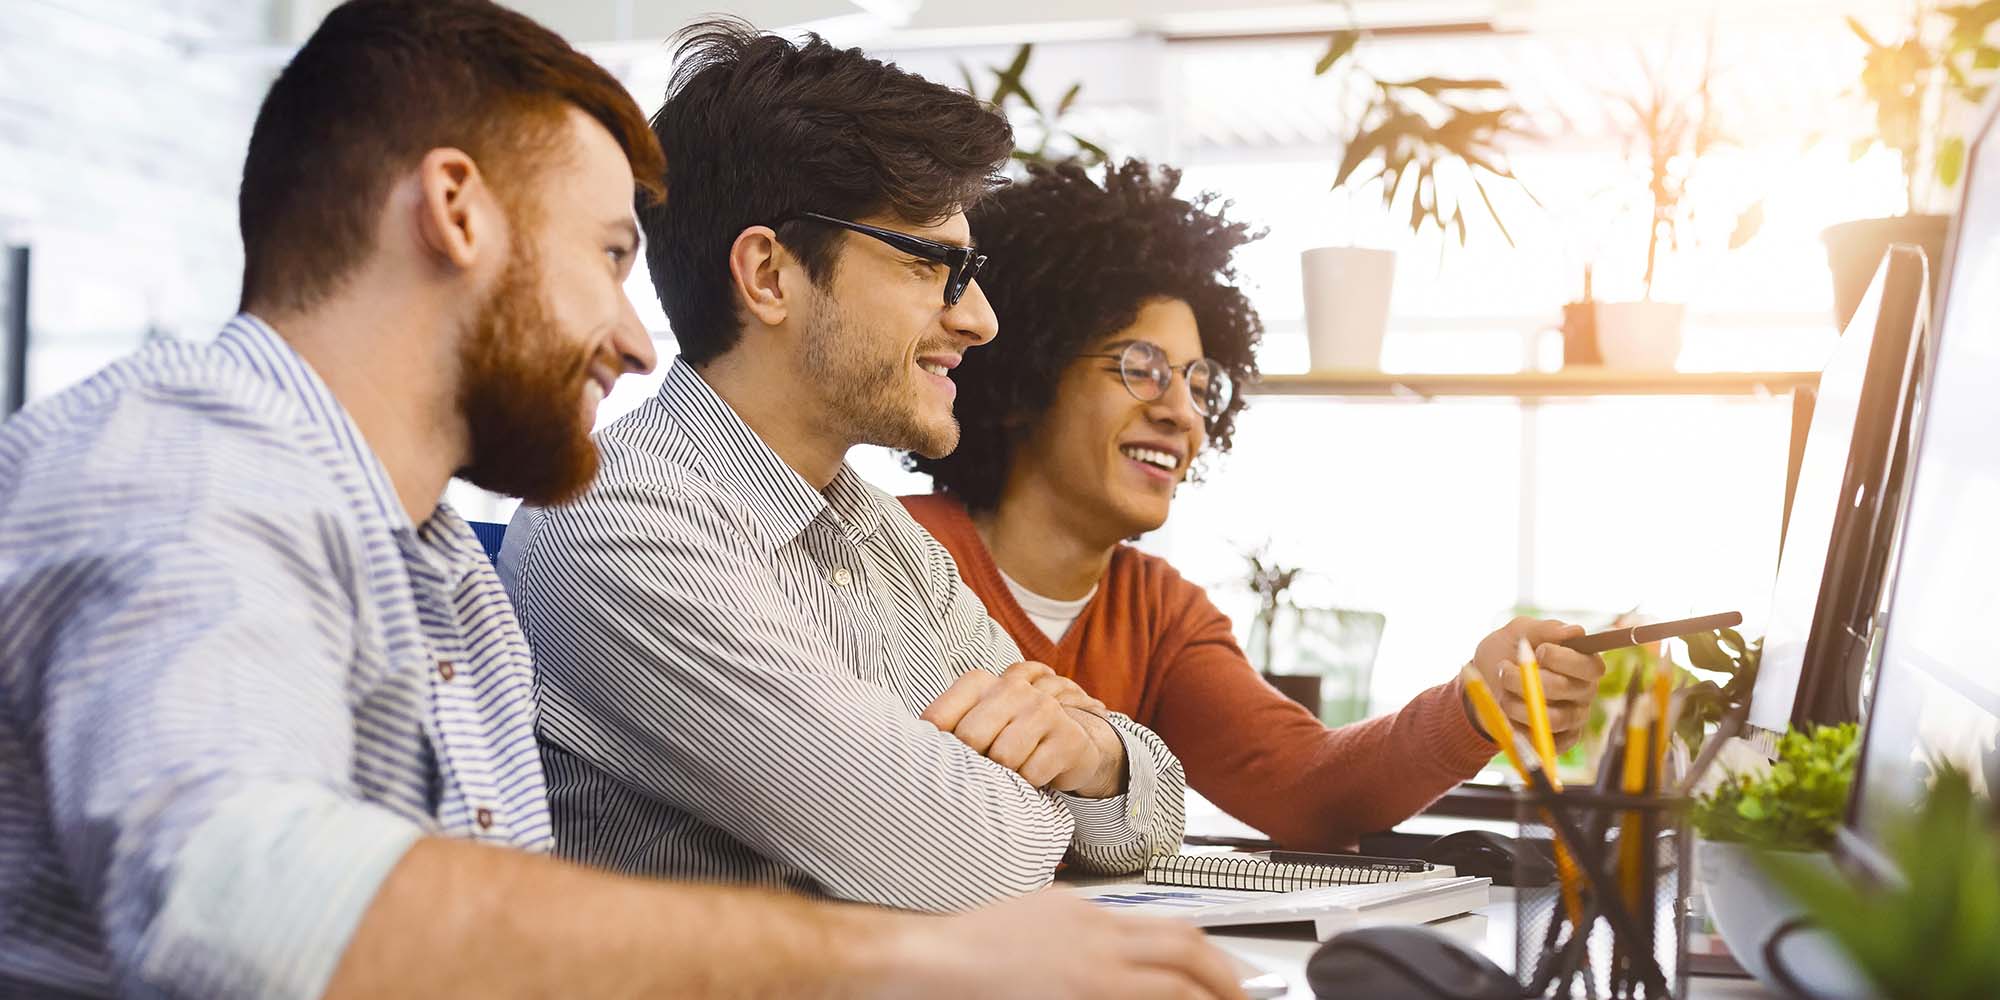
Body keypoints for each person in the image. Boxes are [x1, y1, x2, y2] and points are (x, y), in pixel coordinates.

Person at [0, 6, 1242, 997]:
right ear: (453, 211)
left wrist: (1065, 791)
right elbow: (240, 903)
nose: (636, 343)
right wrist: (907, 960)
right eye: (604, 255)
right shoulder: (190, 459)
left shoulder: (428, 557)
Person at [499, 22, 1186, 912]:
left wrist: (1094, 753)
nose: (979, 317)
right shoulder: (616, 525)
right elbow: (955, 859)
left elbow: (1148, 804)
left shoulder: (880, 534)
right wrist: (1036, 789)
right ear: (770, 275)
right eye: (932, 264)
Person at [902, 160, 1607, 852]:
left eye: (1200, 382)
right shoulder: (887, 546)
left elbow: (1308, 787)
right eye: (1141, 369)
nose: (1182, 412)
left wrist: (1478, 701)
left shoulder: (1159, 613)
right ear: (1027, 378)